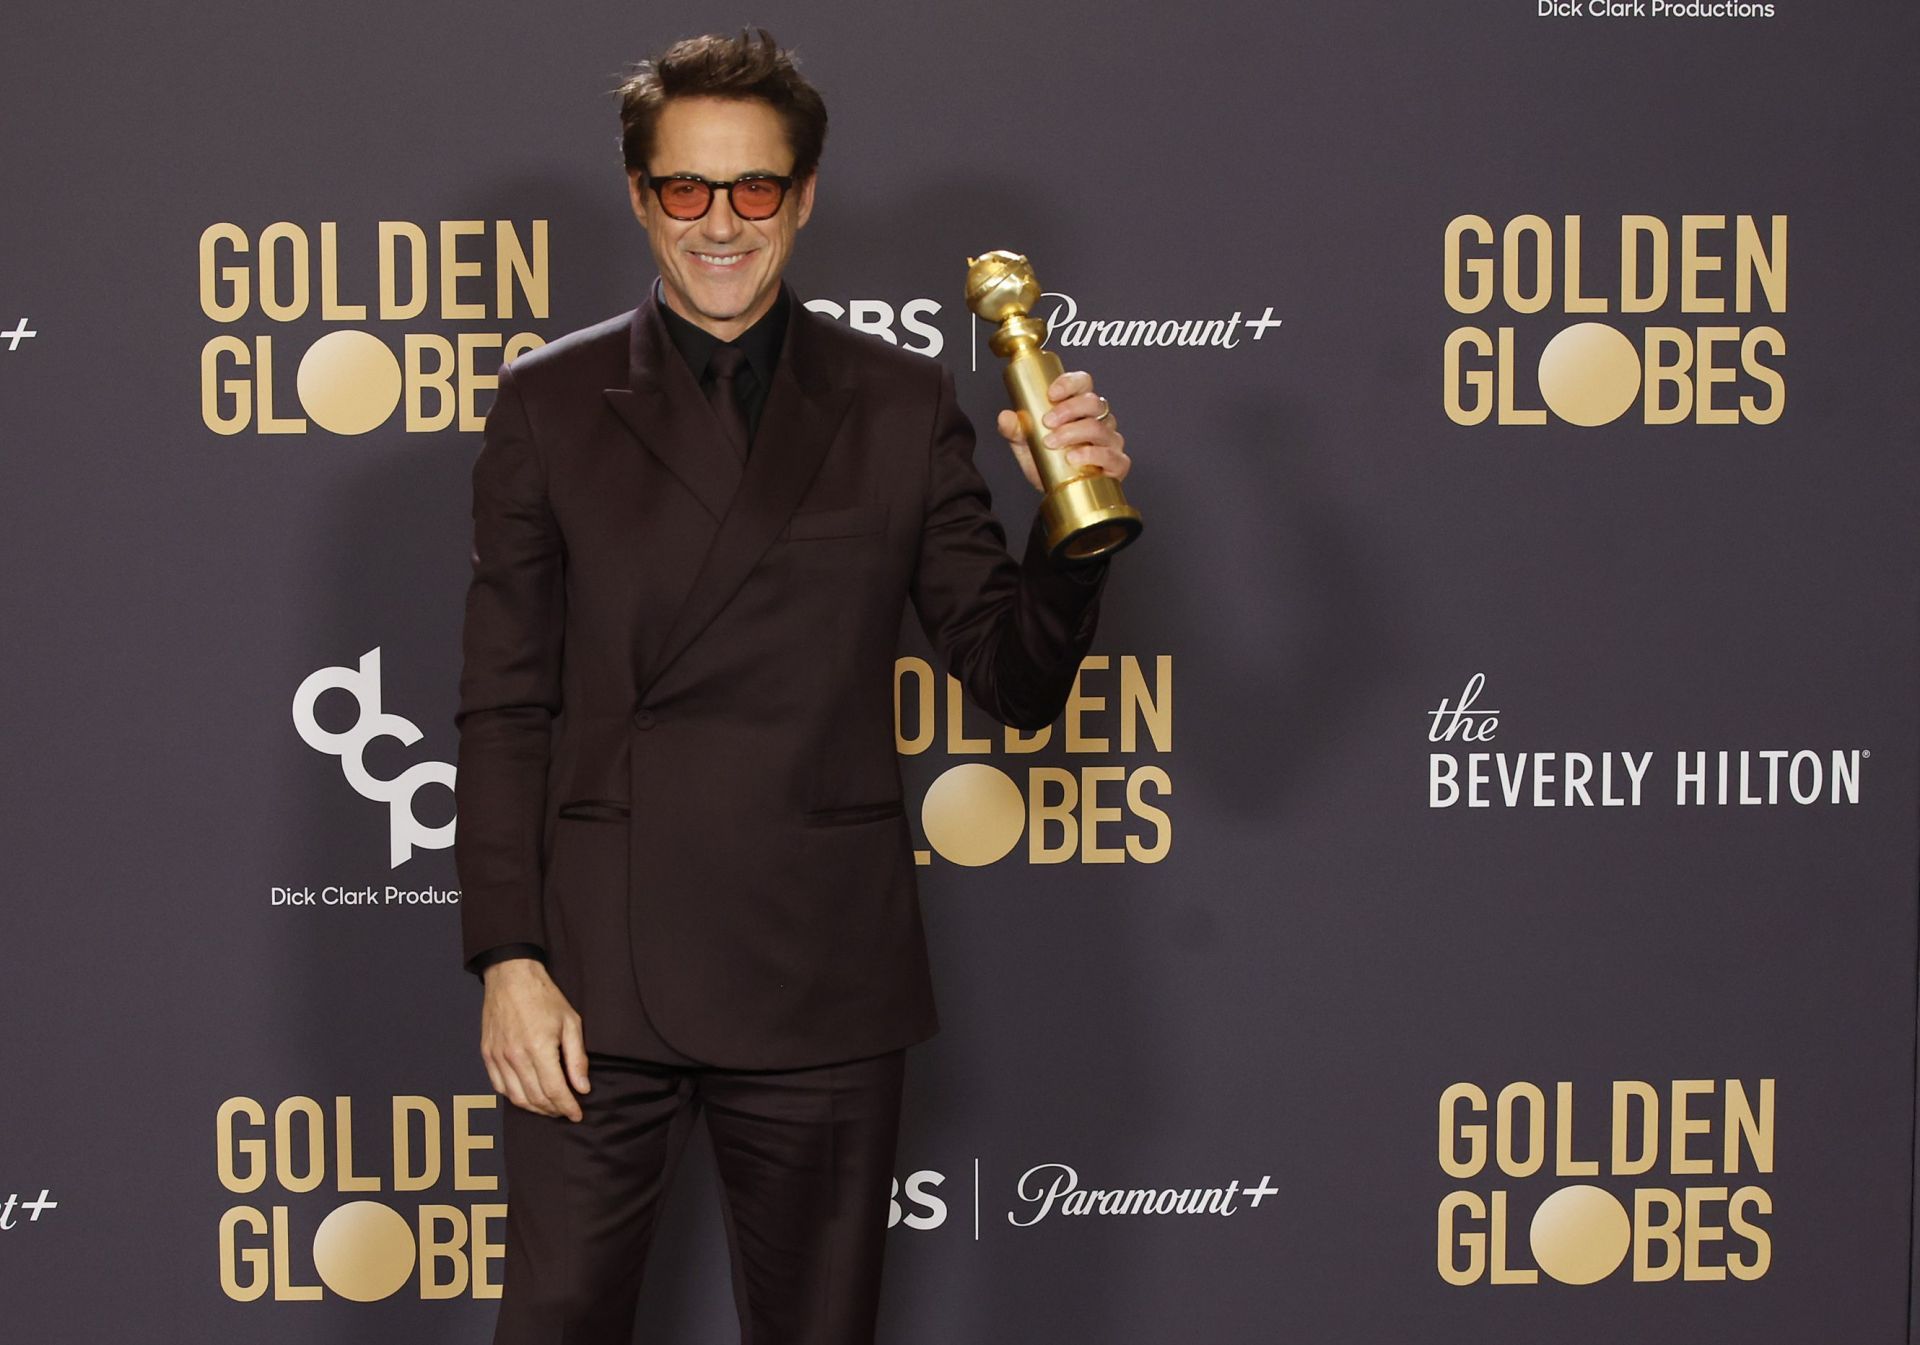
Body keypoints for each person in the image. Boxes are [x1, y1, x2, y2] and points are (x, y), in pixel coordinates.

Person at [454, 28, 1131, 1344]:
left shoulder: (895, 402)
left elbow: (1015, 676)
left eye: (754, 188)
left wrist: (1069, 520)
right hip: (596, 980)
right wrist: (507, 955)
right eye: (687, 190)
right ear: (641, 196)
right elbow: (501, 703)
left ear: (805, 195)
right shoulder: (548, 403)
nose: (721, 225)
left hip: (820, 971)